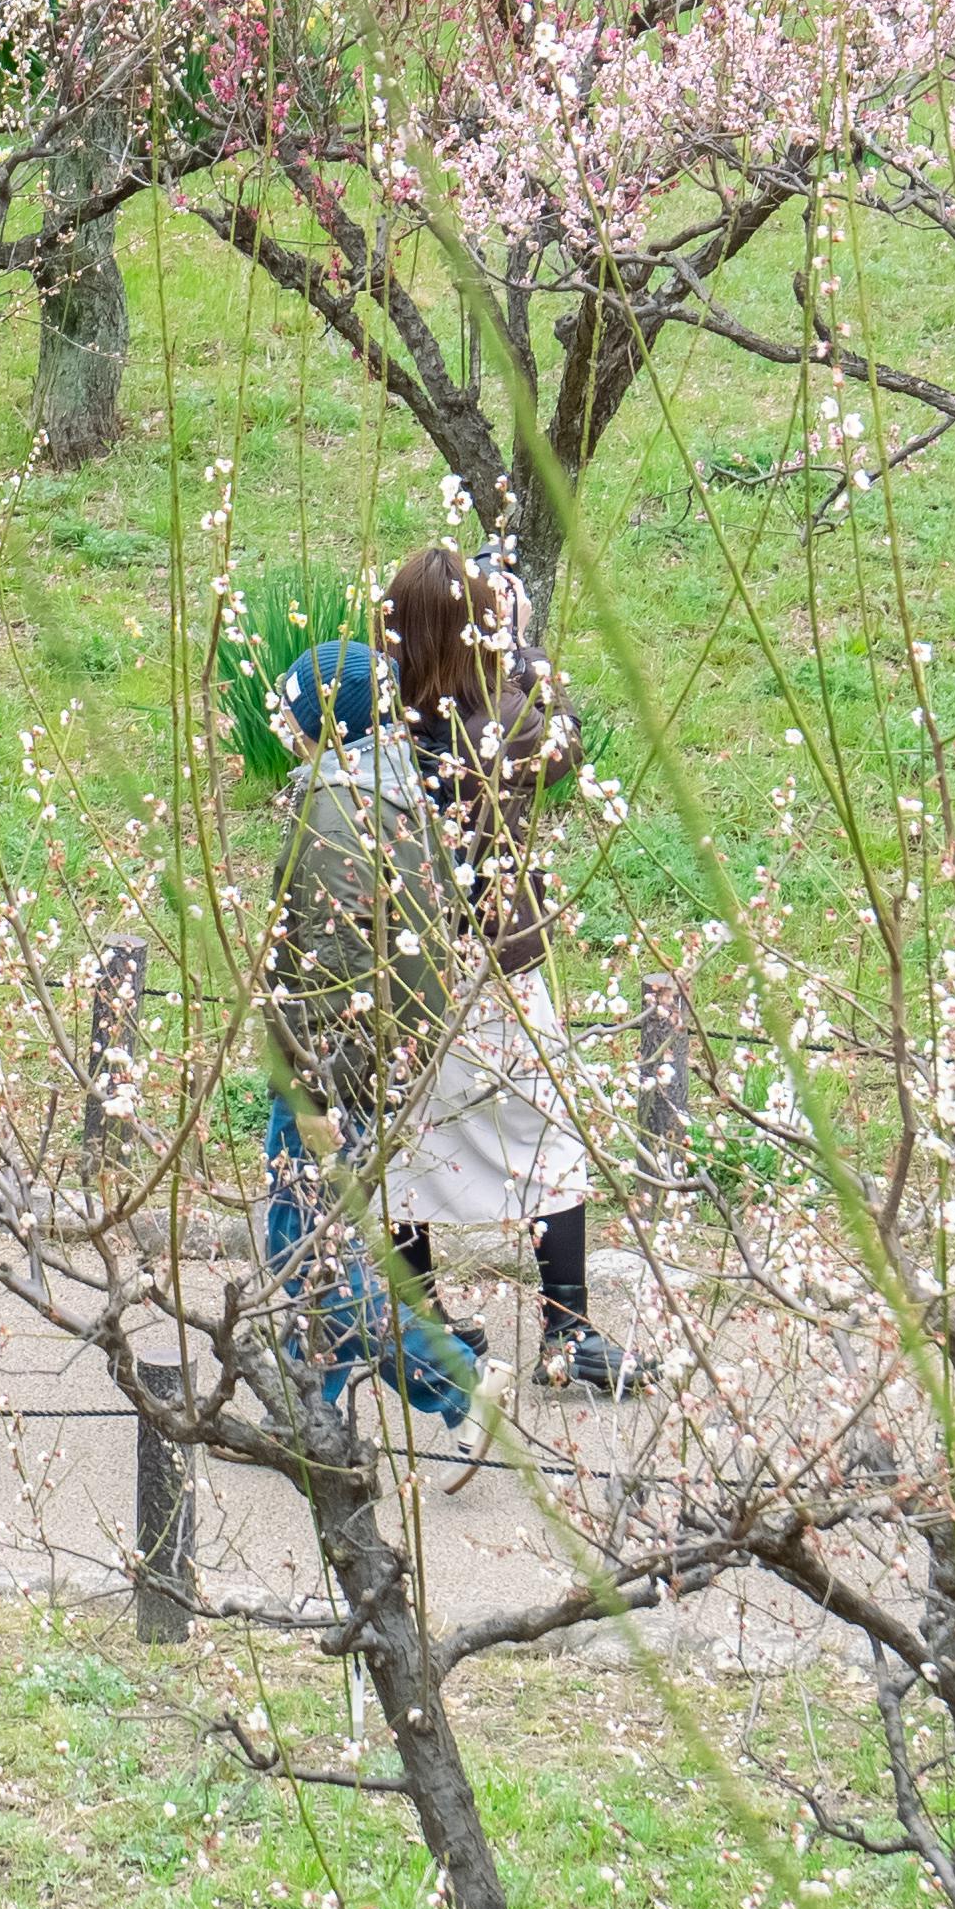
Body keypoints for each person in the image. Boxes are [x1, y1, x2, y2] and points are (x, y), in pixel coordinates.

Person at [377, 547, 632, 1398]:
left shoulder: (380, 729)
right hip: (492, 964)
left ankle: (425, 1324)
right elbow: (567, 746)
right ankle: (570, 1334)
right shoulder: (503, 723)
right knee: (548, 1136)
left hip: (402, 969)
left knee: (402, 1142)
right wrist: (523, 650)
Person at [248, 640, 492, 1435]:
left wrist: (313, 1089)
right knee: (329, 1229)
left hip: (335, 1060)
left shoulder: (333, 804)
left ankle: (452, 1382)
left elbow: (330, 956)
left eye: (291, 712)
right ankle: (309, 1409)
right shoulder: (404, 786)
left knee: (305, 1238)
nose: (282, 726)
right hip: (391, 1051)